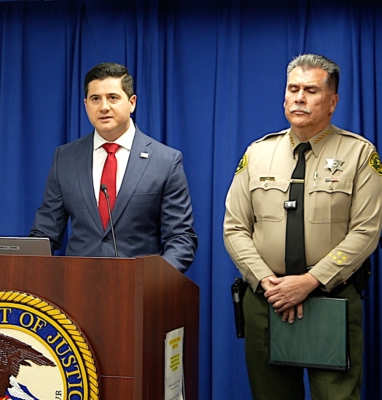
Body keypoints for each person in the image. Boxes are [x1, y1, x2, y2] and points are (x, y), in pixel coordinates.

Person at [223, 54, 382, 399]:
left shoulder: (359, 154)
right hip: (267, 300)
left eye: (310, 90)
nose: (299, 98)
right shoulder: (258, 153)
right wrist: (269, 283)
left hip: (330, 297)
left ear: (332, 101)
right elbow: (234, 228)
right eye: (293, 89)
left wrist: (310, 281)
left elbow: (366, 231)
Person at [30, 62, 197, 272]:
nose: (104, 107)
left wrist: (156, 278)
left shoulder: (165, 161)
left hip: (141, 285)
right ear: (85, 105)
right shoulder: (65, 158)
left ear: (132, 103)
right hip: (76, 284)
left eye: (113, 97)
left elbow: (181, 238)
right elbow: (45, 233)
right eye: (95, 99)